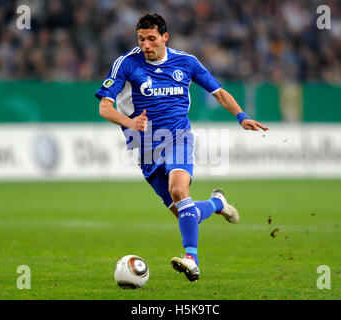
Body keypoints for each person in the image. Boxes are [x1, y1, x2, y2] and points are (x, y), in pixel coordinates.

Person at [95, 13, 268, 282]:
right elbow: (104, 106)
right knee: (186, 212)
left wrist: (241, 116)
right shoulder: (126, 64)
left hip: (178, 137)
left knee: (179, 190)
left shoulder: (186, 63)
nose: (146, 45)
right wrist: (129, 122)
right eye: (141, 40)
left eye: (152, 39)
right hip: (144, 148)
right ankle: (217, 203)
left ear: (165, 37)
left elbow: (219, 93)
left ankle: (192, 260)